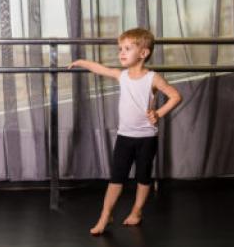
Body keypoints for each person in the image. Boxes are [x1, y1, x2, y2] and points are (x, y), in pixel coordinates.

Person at [68, 28, 182, 235]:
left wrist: (158, 113)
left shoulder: (153, 78)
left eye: (127, 49)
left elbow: (175, 96)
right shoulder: (121, 76)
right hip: (124, 137)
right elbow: (100, 69)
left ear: (143, 53)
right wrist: (81, 62)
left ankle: (137, 211)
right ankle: (105, 215)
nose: (121, 52)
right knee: (116, 178)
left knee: (143, 177)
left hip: (146, 138)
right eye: (120, 48)